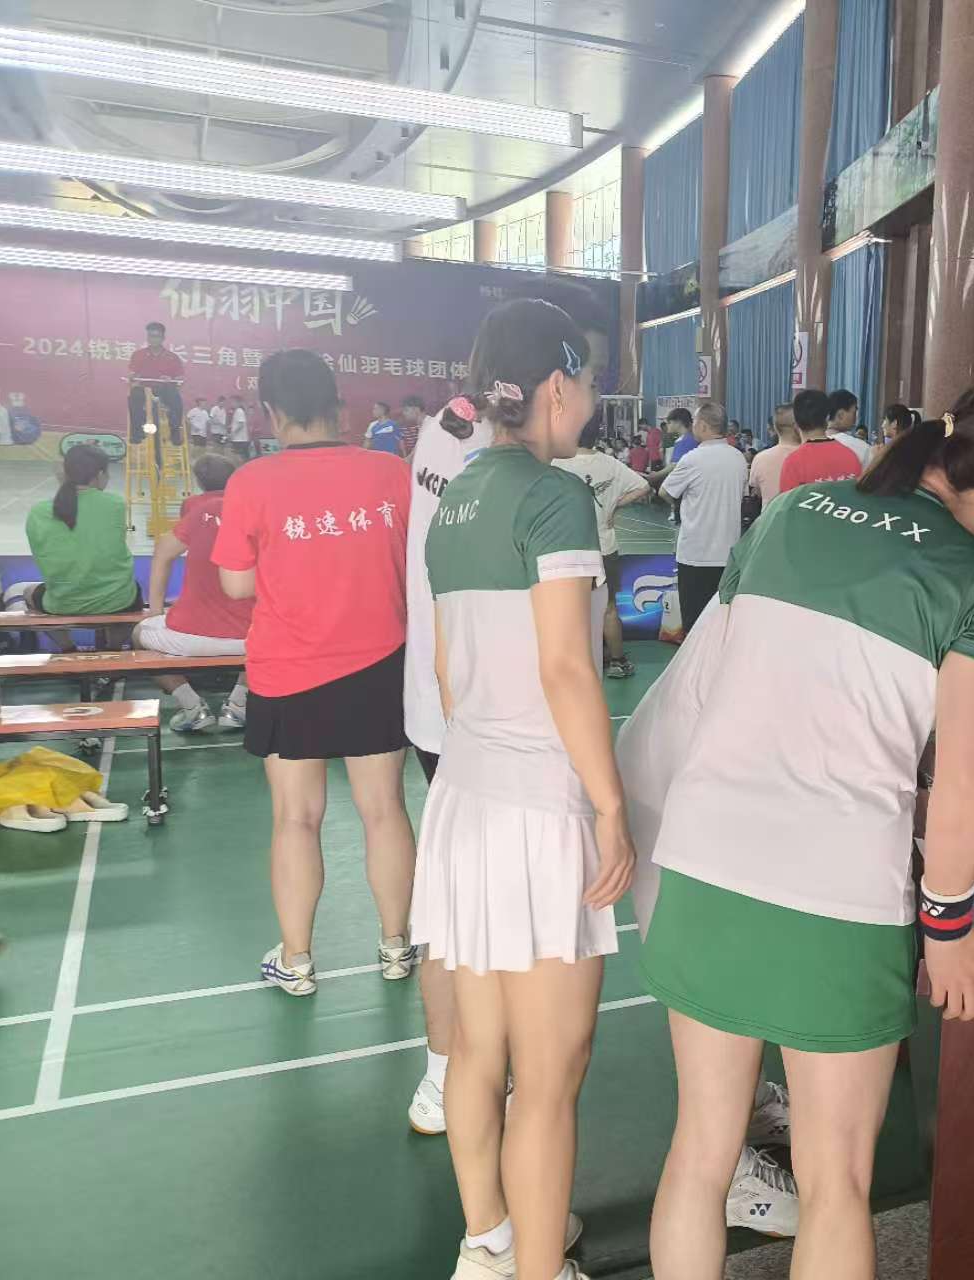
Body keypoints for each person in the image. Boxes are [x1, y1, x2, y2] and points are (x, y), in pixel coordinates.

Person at [619, 380, 974, 1280]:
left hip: (705, 861)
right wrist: (949, 925)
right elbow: (967, 781)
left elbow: (705, 682)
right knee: (834, 1184)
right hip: (838, 898)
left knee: (700, 1154)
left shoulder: (790, 512)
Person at [413, 298, 631, 1280]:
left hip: (463, 797)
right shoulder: (555, 496)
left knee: (477, 1048)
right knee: (549, 1075)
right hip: (539, 811)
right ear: (555, 385)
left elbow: (449, 672)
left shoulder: (454, 495)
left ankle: (491, 1241)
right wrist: (611, 805)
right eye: (588, 382)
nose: (591, 401)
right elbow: (567, 668)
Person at [211, 349, 417, 1000]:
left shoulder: (252, 481)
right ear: (338, 404)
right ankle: (396, 946)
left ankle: (296, 960)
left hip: (288, 670)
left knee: (296, 818)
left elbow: (235, 583)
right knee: (384, 809)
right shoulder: (391, 473)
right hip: (380, 663)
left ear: (271, 412)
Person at [402, 363, 497, 1142]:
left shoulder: (443, 427)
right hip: (487, 720)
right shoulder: (503, 463)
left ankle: (447, 1070)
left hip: (444, 715)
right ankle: (464, 1070)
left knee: (456, 900)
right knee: (483, 907)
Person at [135, 451, 253, 732]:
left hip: (191, 633)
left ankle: (191, 707)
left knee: (139, 636)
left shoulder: (198, 508)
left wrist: (155, 610)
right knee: (277, 636)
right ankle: (239, 704)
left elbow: (163, 553)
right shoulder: (259, 511)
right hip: (249, 637)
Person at [556, 417, 651, 680]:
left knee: (569, 608)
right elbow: (643, 486)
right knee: (608, 607)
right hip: (603, 547)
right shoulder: (609, 463)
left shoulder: (555, 463)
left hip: (568, 548)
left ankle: (573, 664)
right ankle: (618, 662)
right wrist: (614, 505)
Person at [21, 444, 140, 620]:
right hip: (118, 601)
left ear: (65, 473)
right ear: (100, 474)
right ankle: (115, 638)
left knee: (26, 591)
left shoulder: (38, 512)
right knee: (132, 589)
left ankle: (64, 638)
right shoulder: (116, 504)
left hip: (63, 604)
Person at [657, 402, 747, 632]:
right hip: (728, 554)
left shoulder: (693, 458)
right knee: (722, 622)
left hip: (696, 554)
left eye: (695, 422)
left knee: (694, 624)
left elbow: (665, 492)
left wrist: (681, 507)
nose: (693, 426)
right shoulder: (738, 458)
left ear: (704, 426)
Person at [779, 388, 861, 492]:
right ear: (827, 419)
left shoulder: (793, 464)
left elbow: (788, 502)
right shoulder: (851, 457)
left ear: (795, 423)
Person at [127, 321, 186, 446]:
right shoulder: (138, 355)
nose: (153, 339)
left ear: (163, 338)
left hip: (164, 388)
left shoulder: (172, 357)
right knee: (134, 395)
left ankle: (175, 432)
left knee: (176, 398)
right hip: (144, 388)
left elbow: (180, 377)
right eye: (150, 336)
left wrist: (170, 378)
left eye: (156, 336)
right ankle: (137, 433)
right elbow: (132, 373)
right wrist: (133, 376)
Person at [747, 403, 799, 503]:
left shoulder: (761, 458)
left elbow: (757, 490)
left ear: (774, 427)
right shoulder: (811, 456)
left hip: (770, 512)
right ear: (798, 425)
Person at [825, 388, 870, 466]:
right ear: (840, 415)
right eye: (854, 412)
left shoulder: (812, 443)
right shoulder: (861, 447)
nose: (856, 418)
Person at [869, 402, 916, 469]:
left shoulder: (899, 450)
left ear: (894, 423)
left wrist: (877, 457)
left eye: (885, 420)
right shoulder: (908, 445)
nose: (882, 425)